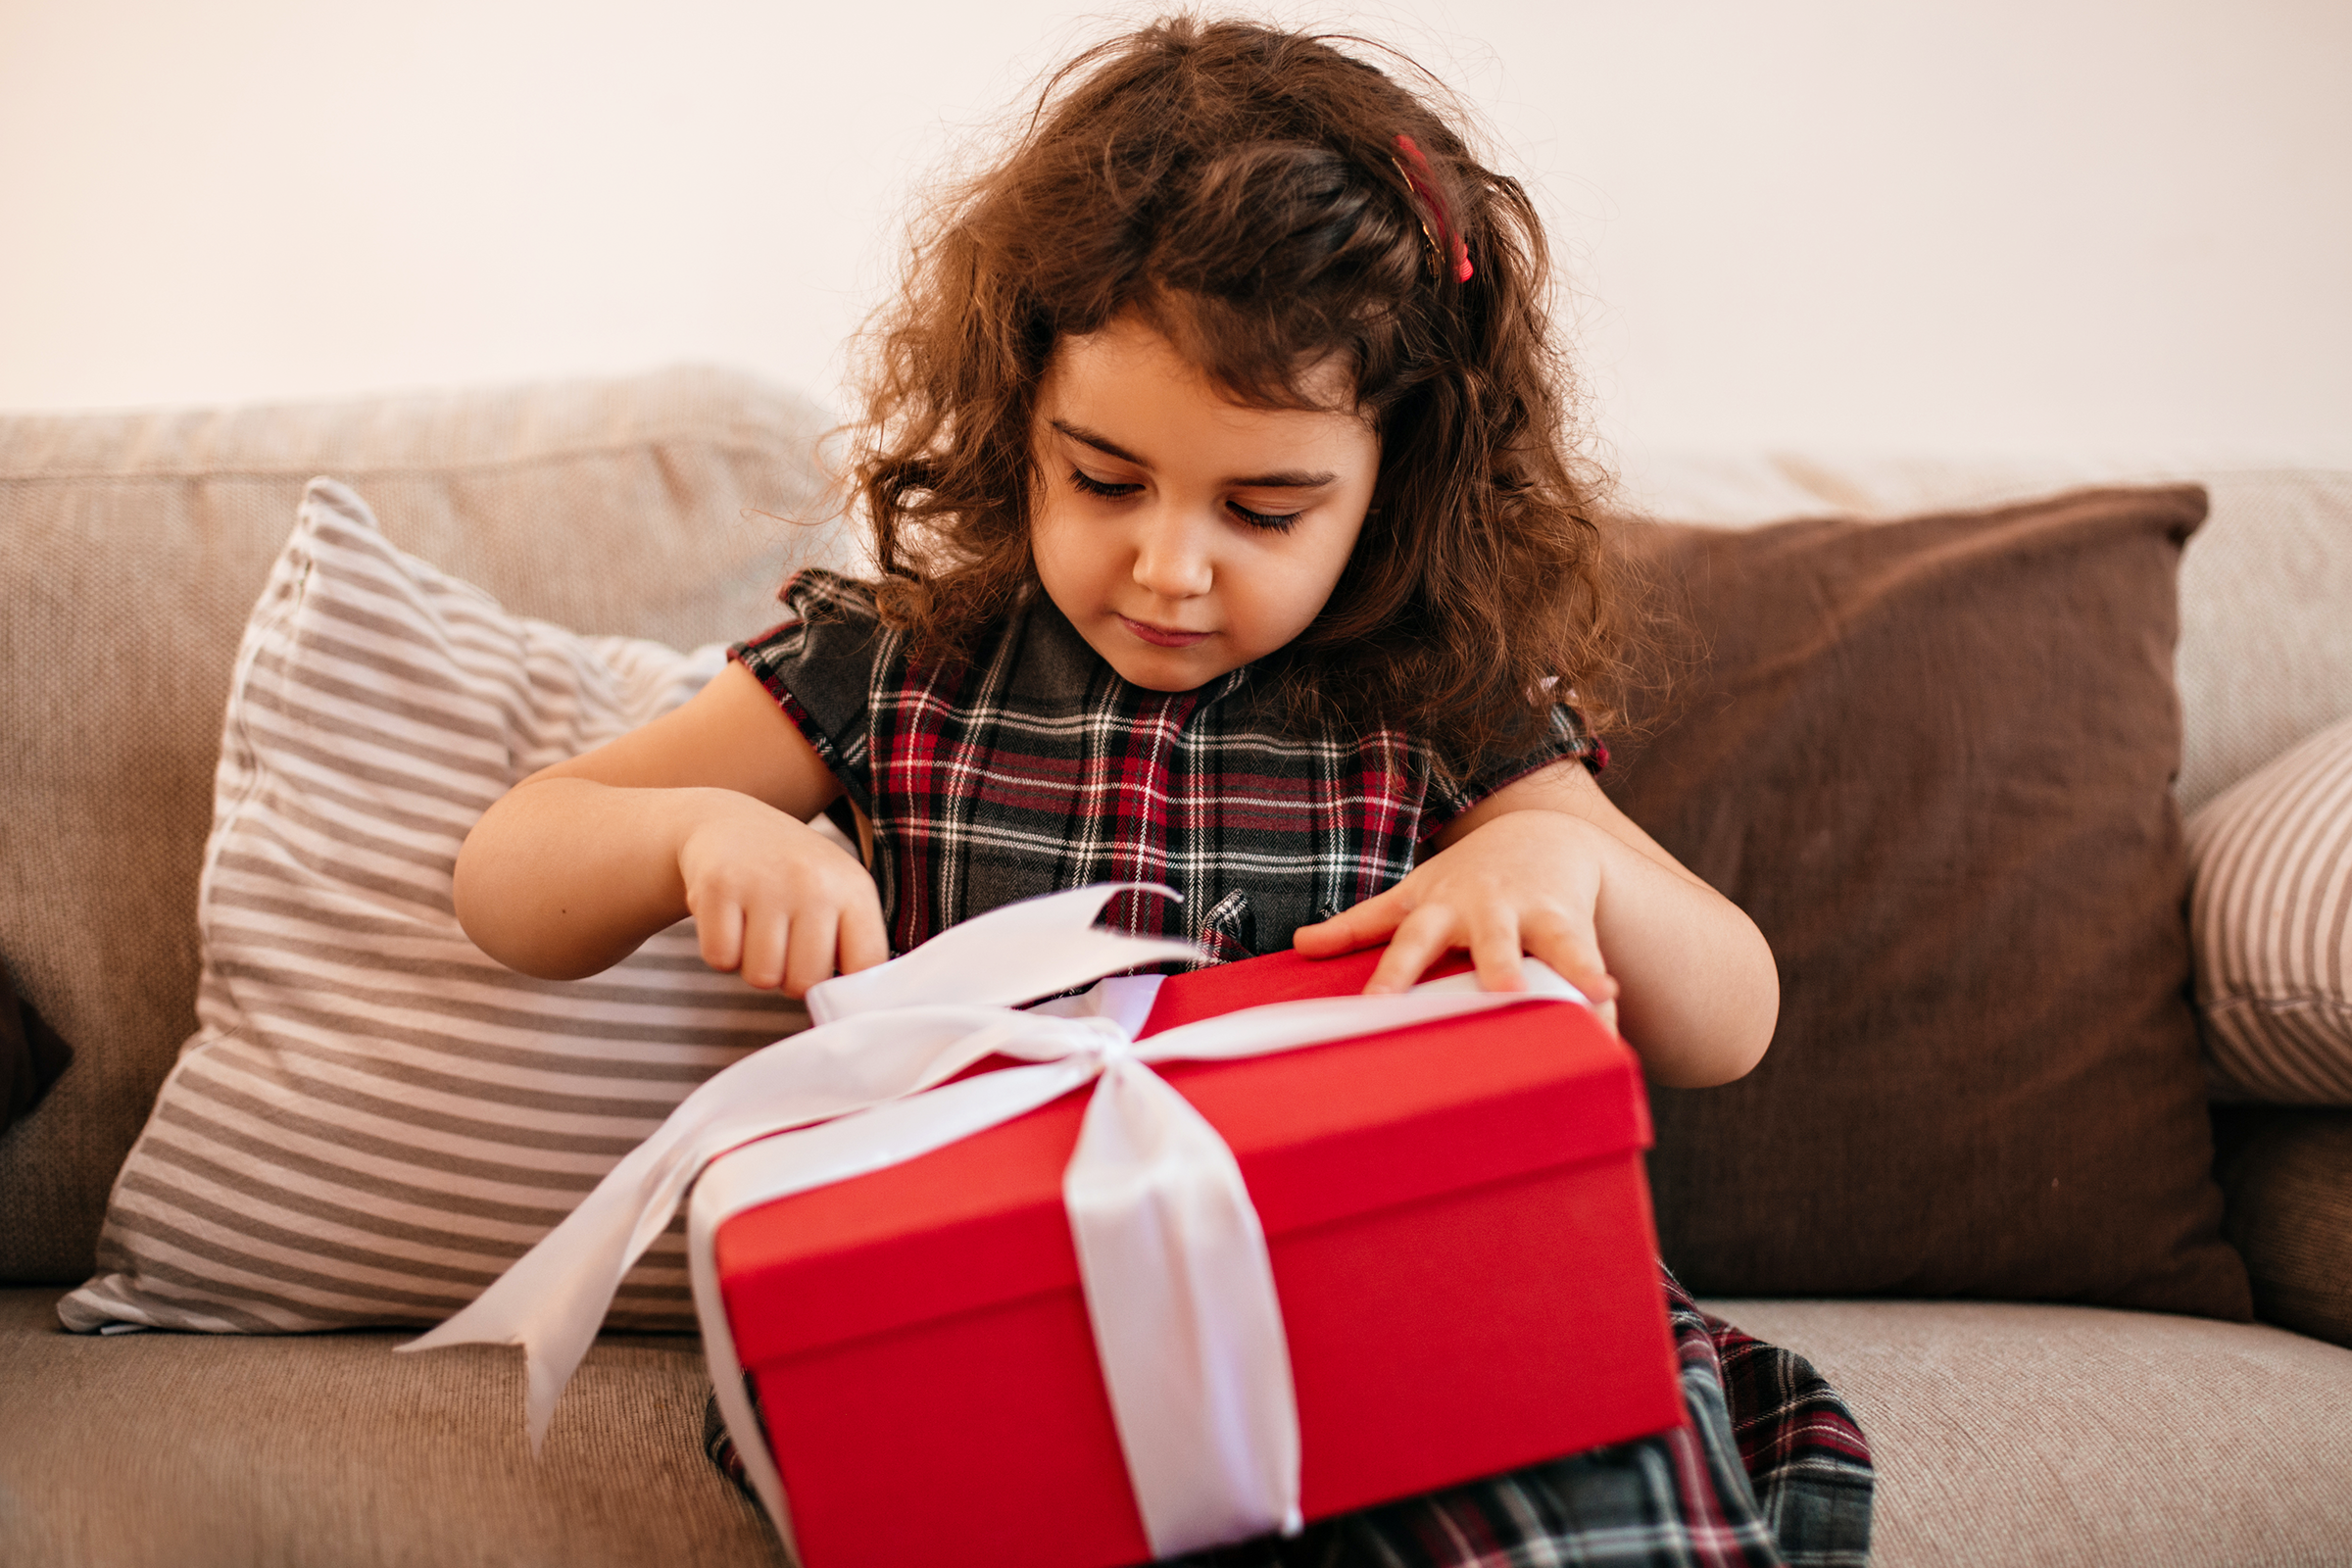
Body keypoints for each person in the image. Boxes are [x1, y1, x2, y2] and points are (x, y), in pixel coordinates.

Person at [453, 17, 1872, 1566]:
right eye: (1104, 478)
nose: (1169, 566)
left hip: (1389, 1312)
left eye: (1265, 509)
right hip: (1004, 1303)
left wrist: (1557, 869)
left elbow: (1733, 1018)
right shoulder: (900, 661)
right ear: (1019, 418)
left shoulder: (1431, 705)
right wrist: (695, 828)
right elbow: (512, 877)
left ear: (1396, 481)